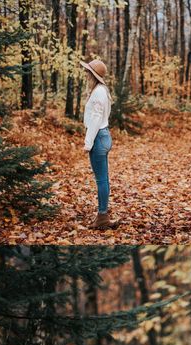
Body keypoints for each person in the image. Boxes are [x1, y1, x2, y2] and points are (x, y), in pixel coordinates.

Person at [81, 59, 117, 230]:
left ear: (94, 75)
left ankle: (103, 217)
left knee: (101, 180)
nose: (86, 74)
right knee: (103, 179)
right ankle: (103, 214)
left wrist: (88, 143)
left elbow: (95, 119)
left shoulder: (98, 93)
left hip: (98, 137)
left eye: (88, 72)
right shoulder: (101, 90)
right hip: (103, 136)